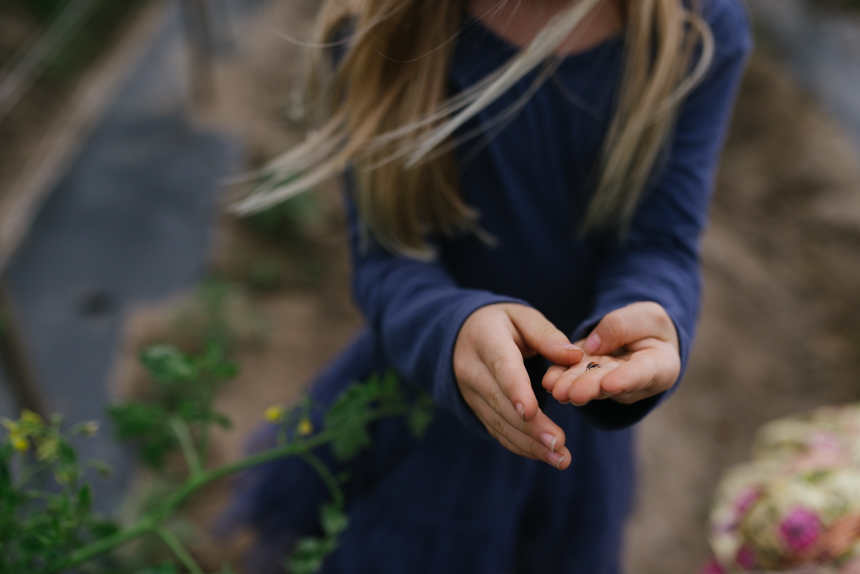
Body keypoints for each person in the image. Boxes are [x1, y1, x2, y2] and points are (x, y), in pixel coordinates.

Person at [230, 0, 752, 572]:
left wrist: (653, 318)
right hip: (423, 405)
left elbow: (660, 240)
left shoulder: (696, 27)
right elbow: (387, 257)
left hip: (574, 422)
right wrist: (450, 332)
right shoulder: (378, 23)